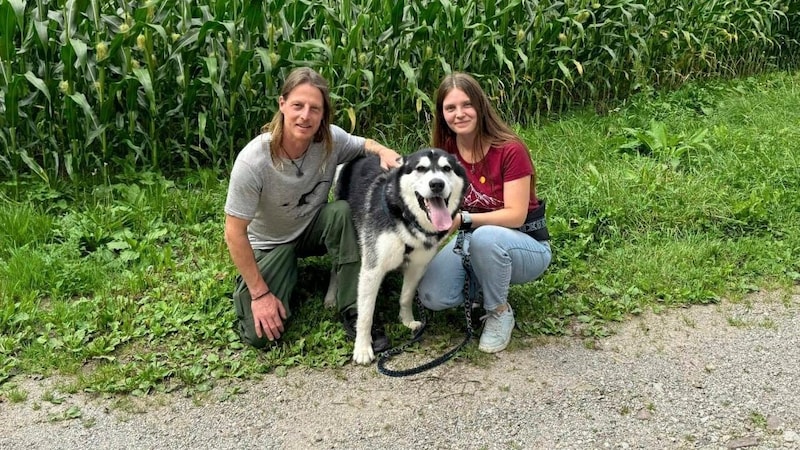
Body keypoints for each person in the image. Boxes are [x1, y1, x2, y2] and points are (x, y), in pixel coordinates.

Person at [224, 67, 401, 352]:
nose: (305, 116)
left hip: (310, 228)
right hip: (270, 244)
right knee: (260, 337)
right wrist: (260, 295)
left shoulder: (331, 140)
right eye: (297, 105)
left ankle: (355, 310)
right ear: (282, 104)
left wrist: (384, 152)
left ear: (323, 114)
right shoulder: (253, 161)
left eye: (314, 109)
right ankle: (269, 276)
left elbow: (364, 144)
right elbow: (234, 232)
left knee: (341, 211)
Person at [416, 72, 552, 353]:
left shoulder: (510, 150)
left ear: (480, 106)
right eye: (450, 108)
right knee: (433, 295)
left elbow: (516, 215)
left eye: (466, 105)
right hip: (473, 240)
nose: (459, 114)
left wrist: (464, 220)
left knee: (486, 238)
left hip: (526, 245)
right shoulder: (445, 154)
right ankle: (482, 288)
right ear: (442, 115)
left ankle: (499, 311)